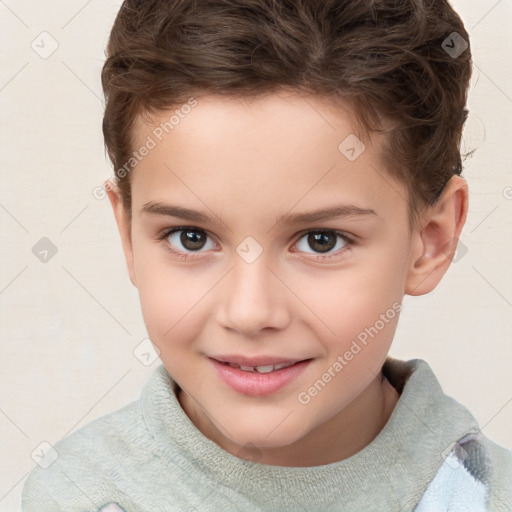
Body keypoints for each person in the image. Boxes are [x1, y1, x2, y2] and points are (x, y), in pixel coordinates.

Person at [21, 0, 512, 510]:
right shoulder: (74, 493)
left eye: (321, 240)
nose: (250, 312)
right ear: (127, 233)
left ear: (431, 241)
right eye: (191, 237)